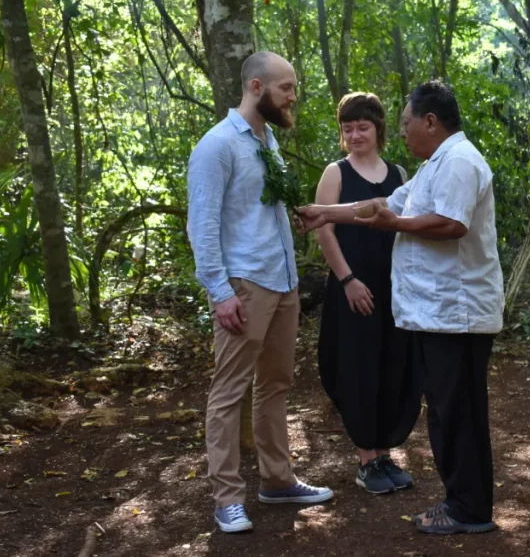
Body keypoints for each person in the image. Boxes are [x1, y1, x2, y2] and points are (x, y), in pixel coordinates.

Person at [297, 79, 504, 535]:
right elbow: (381, 204)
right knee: (450, 411)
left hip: (458, 314)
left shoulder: (459, 162)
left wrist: (398, 223)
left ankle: (468, 508)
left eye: (407, 123)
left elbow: (451, 224)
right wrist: (325, 212)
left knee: (459, 412)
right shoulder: (434, 165)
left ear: (431, 121)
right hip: (438, 315)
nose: (404, 132)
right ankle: (463, 502)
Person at [187, 51, 333, 534]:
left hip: (284, 279)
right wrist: (220, 291)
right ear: (256, 87)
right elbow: (202, 225)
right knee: (228, 392)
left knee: (276, 384)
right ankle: (227, 498)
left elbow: (254, 210)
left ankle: (277, 480)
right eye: (286, 87)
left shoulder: (267, 140)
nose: (294, 95)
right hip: (245, 286)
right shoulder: (217, 146)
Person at [314, 92, 420, 494]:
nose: (355, 135)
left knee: (393, 367)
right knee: (358, 370)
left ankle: (384, 454)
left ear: (378, 129)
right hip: (352, 288)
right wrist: (347, 280)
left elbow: (408, 226)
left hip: (394, 290)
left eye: (363, 127)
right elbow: (324, 230)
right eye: (348, 128)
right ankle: (366, 460)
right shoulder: (335, 173)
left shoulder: (398, 173)